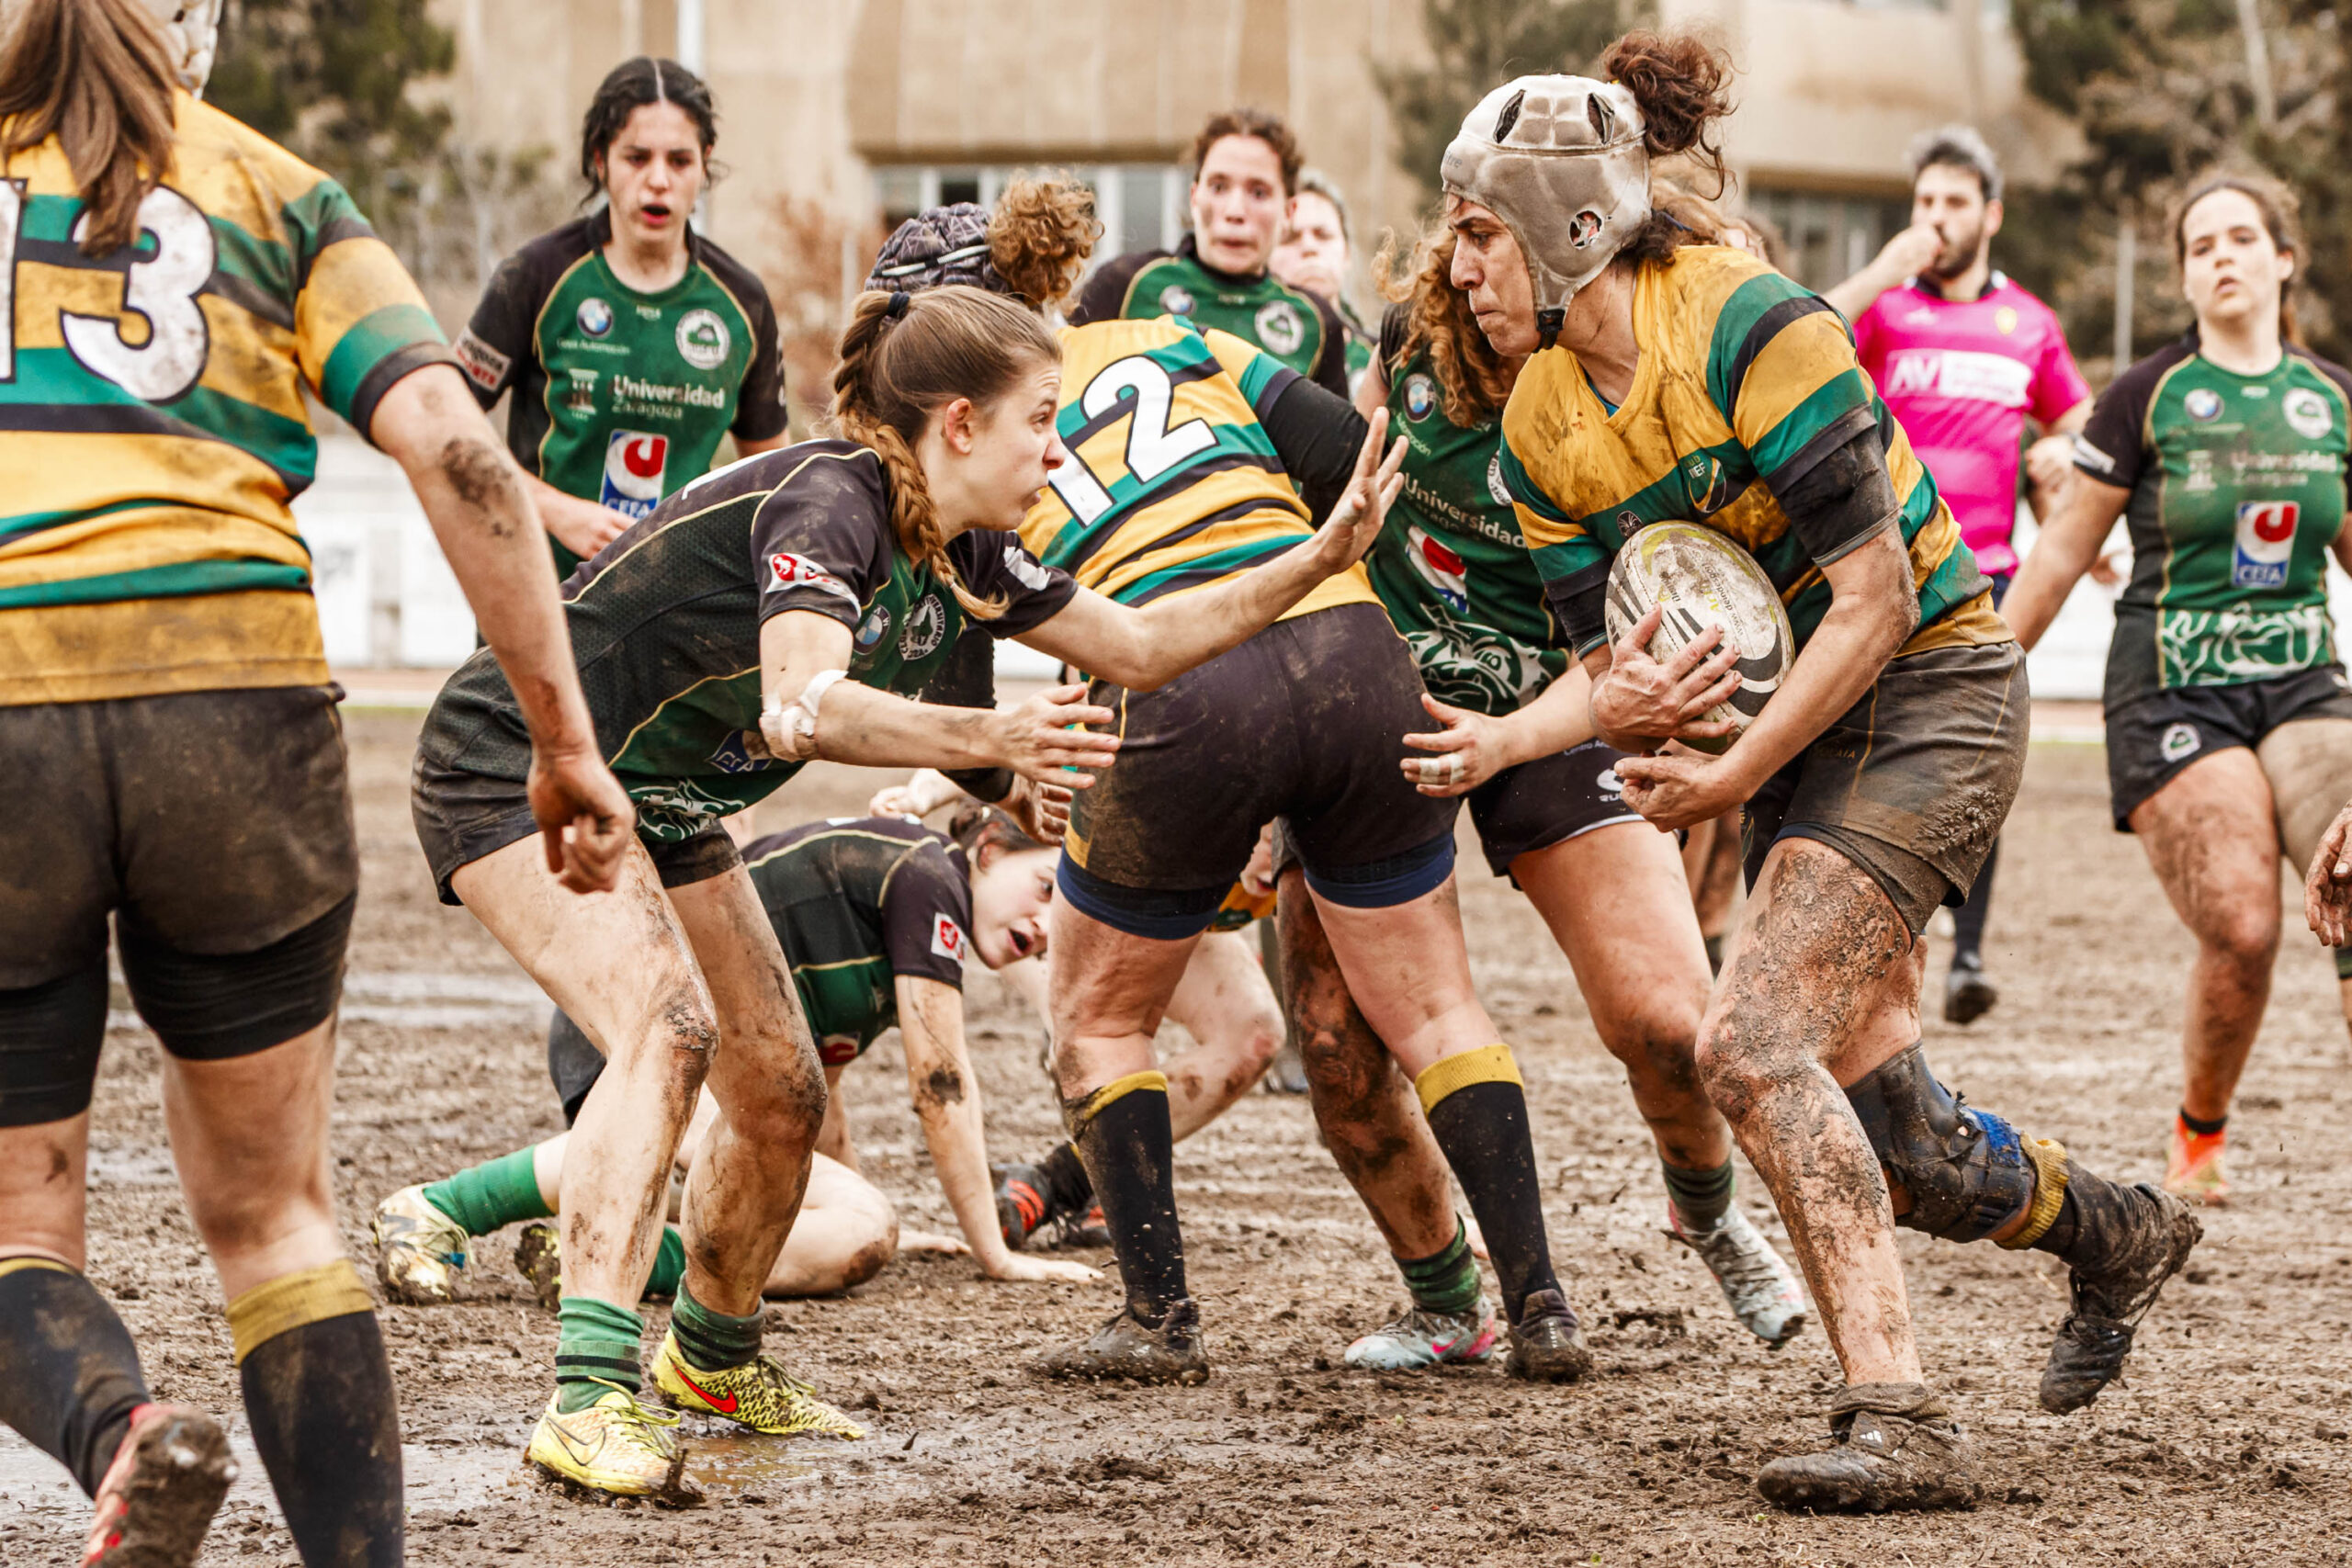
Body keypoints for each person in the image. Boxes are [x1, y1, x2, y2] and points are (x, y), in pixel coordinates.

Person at [408, 261, 1402, 1495]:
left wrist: (1316, 558)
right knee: (667, 1026)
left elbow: (1141, 641)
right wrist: (995, 742)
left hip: (663, 796)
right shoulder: (836, 499)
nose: (1059, 444)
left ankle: (711, 1360)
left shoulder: (967, 546)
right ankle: (587, 1394)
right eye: (1043, 418)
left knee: (773, 1084)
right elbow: (801, 703)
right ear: (961, 424)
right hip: (516, 762)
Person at [1451, 35, 2199, 1508]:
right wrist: (1571, 722)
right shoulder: (1535, 421)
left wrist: (1727, 772)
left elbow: (1880, 600)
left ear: (1567, 231)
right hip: (1807, 728)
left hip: (1929, 695)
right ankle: (2117, 1228)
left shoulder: (1751, 323)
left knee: (1744, 1045)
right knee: (1901, 1147)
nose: (1458, 266)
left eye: (1479, 231)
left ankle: (1899, 1412)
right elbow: (1613, 661)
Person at [0, 3, 632, 1565]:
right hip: (243, 705)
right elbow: (463, 458)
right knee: (279, 1217)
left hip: (6, 700)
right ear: (196, 36)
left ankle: (124, 1431)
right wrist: (562, 738)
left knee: (17, 1222)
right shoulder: (278, 191)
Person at [886, 179, 1594, 1388]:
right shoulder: (1177, 336)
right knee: (1436, 1012)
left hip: (1189, 685)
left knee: (1099, 1019)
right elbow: (1347, 457)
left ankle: (1158, 1317)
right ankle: (1539, 1303)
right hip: (1356, 651)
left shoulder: (958, 436)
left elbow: (961, 689)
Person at [1282, 217, 1807, 1368]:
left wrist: (1523, 737)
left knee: (1669, 1025)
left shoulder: (1651, 403)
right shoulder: (1412, 340)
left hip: (1563, 710)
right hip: (1390, 702)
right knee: (1331, 1039)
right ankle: (1445, 1299)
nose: (1476, 285)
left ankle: (1707, 1213)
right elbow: (1351, 487)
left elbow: (1649, 640)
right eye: (1464, 255)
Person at [2004, 175, 2352, 1206]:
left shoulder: (2330, 399)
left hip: (2301, 683)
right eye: (2201, 246)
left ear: (2283, 259)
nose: (2222, 257)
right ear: (2185, 274)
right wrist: (1971, 683)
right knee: (2244, 929)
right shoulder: (2143, 396)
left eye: (2243, 238)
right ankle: (2199, 1132)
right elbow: (2060, 556)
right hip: (2172, 692)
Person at [374, 807, 1098, 1303]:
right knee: (862, 1227)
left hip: (654, 1039)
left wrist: (851, 1192)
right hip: (647, 1037)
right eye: (1042, 888)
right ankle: (439, 1206)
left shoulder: (904, 878)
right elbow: (941, 1083)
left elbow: (816, 1089)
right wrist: (994, 1252)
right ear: (991, 851)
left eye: (1057, 928)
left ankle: (596, 1250)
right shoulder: (929, 882)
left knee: (862, 1219)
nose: (1039, 928)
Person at [1826, 126, 2094, 1025]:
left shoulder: (2030, 324)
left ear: (1991, 214)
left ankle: (1968, 956)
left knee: (1979, 765)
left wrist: (2059, 450)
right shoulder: (1885, 312)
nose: (1935, 220)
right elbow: (1810, 335)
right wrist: (1886, 263)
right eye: (1922, 204)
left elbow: (2087, 426)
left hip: (1990, 587)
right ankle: (1891, 939)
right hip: (1887, 583)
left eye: (1950, 203)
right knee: (1876, 762)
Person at [861, 771, 1288, 1250]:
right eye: (1271, 835)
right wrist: (921, 794)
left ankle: (1060, 1181)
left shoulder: (1321, 842)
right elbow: (1010, 738)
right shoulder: (1192, 767)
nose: (1279, 857)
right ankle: (1093, 1180)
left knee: (1254, 1034)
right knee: (1087, 1034)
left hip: (1159, 910)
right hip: (1068, 895)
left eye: (1296, 838)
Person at [452, 56, 790, 578]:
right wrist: (556, 511)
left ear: (705, 163)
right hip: (538, 585)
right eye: (636, 158)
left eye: (679, 161)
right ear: (600, 160)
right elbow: (448, 431)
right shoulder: (535, 276)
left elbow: (773, 481)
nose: (658, 181)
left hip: (673, 605)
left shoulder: (741, 303)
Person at [1068, 108, 1352, 397]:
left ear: (1289, 211)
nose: (1235, 211)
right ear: (1194, 197)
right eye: (1218, 187)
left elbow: (1335, 441)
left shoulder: (1317, 322)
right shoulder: (1126, 284)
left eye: (1259, 193)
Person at [1272, 169, 1377, 395]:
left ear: (1347, 253)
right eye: (1290, 237)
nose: (1309, 248)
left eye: (1323, 235)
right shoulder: (1249, 353)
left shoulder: (1380, 359)